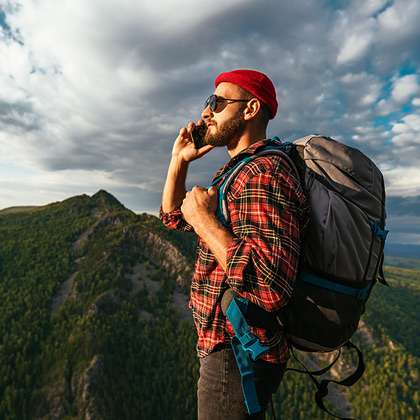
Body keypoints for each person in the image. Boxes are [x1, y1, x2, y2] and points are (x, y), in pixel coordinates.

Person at [159, 69, 309, 419]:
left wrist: (205, 220)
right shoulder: (239, 171)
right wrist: (178, 160)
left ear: (251, 108)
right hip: (230, 345)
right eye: (208, 102)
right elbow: (174, 216)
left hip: (237, 352)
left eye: (219, 102)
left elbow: (271, 286)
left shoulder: (263, 174)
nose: (206, 112)